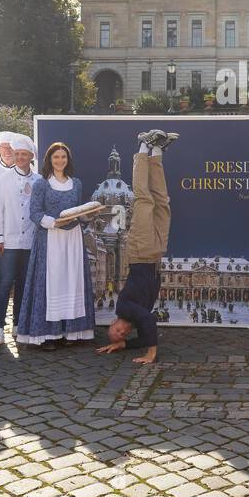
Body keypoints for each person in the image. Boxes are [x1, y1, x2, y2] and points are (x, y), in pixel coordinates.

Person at [99, 129, 180, 364]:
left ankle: (142, 148)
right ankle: (157, 153)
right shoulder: (134, 320)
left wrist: (151, 353)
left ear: (113, 324)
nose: (122, 332)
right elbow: (144, 333)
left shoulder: (123, 309)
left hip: (140, 251)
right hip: (155, 255)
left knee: (143, 199)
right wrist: (123, 345)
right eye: (123, 335)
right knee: (162, 202)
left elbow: (148, 322)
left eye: (116, 332)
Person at [17, 141, 96, 346]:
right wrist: (54, 223)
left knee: (71, 280)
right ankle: (48, 334)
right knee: (51, 283)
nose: (60, 161)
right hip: (50, 238)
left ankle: (72, 331)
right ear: (49, 160)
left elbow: (78, 211)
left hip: (72, 239)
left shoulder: (76, 183)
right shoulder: (41, 183)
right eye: (56, 157)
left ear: (67, 160)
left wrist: (88, 215)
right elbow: (34, 212)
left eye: (63, 157)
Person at [0, 133, 39, 345]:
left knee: (24, 283)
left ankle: (19, 324)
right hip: (8, 241)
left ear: (31, 157)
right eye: (17, 154)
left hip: (30, 240)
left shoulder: (39, 180)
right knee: (4, 282)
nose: (19, 157)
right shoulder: (3, 179)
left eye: (24, 154)